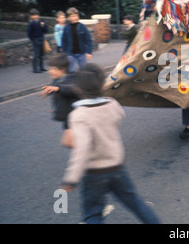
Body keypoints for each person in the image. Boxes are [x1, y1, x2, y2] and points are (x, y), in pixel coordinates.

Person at [59, 63, 161, 224]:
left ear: (78, 88)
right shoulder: (112, 104)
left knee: (93, 213)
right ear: (103, 84)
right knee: (136, 203)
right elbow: (120, 115)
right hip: (117, 167)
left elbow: (82, 149)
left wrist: (71, 178)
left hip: (94, 172)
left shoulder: (79, 115)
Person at [40, 53, 80, 148]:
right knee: (69, 143)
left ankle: (93, 154)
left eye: (53, 69)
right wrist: (55, 107)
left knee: (70, 143)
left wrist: (57, 89)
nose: (49, 71)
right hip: (67, 116)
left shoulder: (73, 78)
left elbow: (72, 89)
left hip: (74, 116)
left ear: (62, 70)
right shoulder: (57, 80)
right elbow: (60, 93)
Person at [61, 7, 93, 73]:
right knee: (71, 71)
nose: (75, 18)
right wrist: (64, 53)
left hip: (82, 53)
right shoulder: (66, 27)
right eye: (73, 16)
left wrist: (89, 52)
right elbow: (64, 41)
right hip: (71, 53)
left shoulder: (82, 27)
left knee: (83, 71)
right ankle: (72, 83)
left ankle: (83, 83)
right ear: (69, 18)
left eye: (76, 16)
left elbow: (88, 40)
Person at [27, 8, 48, 73]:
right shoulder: (31, 24)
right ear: (31, 16)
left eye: (36, 15)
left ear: (38, 15)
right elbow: (29, 33)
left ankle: (41, 67)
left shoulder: (42, 22)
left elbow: (46, 30)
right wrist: (33, 40)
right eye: (33, 15)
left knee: (42, 54)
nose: (35, 16)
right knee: (36, 54)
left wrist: (43, 26)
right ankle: (35, 69)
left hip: (42, 39)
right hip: (35, 40)